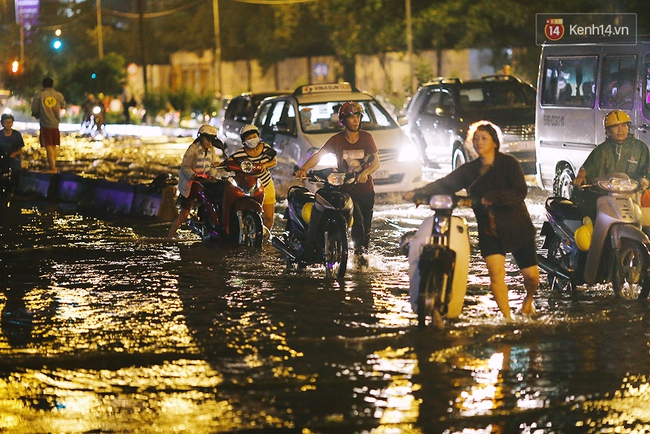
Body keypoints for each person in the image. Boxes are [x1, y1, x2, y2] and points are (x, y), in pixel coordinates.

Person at [403, 121, 539, 320]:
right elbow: (445, 183)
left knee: (532, 277)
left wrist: (493, 197)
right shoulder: (469, 169)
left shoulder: (509, 163)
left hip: (516, 226)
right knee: (495, 274)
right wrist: (418, 193)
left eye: (484, 138)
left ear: (494, 142)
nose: (479, 142)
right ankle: (507, 318)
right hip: (489, 228)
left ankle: (528, 301)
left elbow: (520, 191)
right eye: (475, 139)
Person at [295, 101, 381, 266]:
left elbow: (376, 163)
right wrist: (304, 168)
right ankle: (343, 252)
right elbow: (319, 155)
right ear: (343, 120)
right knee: (357, 221)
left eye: (358, 116)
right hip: (347, 191)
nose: (355, 120)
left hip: (366, 190)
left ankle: (360, 258)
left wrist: (365, 173)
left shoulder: (367, 138)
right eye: (351, 117)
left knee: (365, 228)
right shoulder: (337, 140)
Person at [572, 110, 650, 218]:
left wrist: (644, 179)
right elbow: (588, 167)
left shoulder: (640, 148)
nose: (620, 130)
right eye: (615, 126)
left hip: (632, 197)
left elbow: (647, 168)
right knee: (589, 217)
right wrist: (581, 176)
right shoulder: (602, 150)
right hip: (605, 197)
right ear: (608, 131)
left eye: (624, 125)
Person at [167, 125, 224, 238]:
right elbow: (185, 167)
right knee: (184, 214)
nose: (209, 142)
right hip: (191, 184)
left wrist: (212, 175)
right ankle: (169, 236)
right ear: (201, 137)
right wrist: (193, 176)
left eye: (212, 139)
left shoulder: (211, 150)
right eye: (208, 138)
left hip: (205, 184)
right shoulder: (193, 149)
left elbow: (212, 166)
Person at [227, 124, 277, 231]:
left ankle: (265, 237)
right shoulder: (240, 153)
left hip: (266, 184)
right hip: (250, 187)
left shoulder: (266, 148)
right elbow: (229, 163)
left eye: (254, 136)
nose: (252, 139)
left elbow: (274, 160)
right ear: (244, 141)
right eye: (249, 138)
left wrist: (265, 165)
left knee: (269, 217)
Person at [31, 76, 66, 173]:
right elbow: (63, 105)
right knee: (54, 145)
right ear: (52, 84)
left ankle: (52, 168)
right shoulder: (59, 95)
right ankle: (53, 165)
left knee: (48, 145)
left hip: (45, 124)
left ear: (43, 85)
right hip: (55, 124)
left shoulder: (39, 95)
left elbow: (34, 109)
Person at [0, 113, 25, 190]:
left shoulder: (16, 135)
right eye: (6, 122)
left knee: (16, 173)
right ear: (2, 123)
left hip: (14, 159)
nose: (8, 124)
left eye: (10, 122)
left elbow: (20, 149)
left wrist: (14, 154)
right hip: (2, 159)